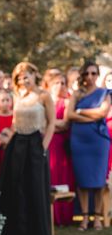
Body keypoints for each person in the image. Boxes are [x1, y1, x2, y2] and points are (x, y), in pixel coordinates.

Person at [0, 62, 55, 235]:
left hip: (35, 144)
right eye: (20, 77)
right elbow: (15, 122)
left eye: (26, 76)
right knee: (16, 187)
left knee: (35, 187)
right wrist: (7, 136)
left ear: (34, 75)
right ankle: (16, 234)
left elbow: (52, 123)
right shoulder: (18, 96)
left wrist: (44, 147)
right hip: (17, 144)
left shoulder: (44, 95)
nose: (23, 80)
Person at [67, 61, 111, 231]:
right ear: (82, 76)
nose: (90, 77)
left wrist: (81, 112)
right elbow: (69, 114)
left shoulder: (104, 93)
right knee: (82, 180)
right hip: (79, 140)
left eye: (93, 73)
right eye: (87, 73)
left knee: (99, 180)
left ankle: (98, 217)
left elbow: (103, 112)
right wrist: (91, 117)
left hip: (98, 141)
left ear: (97, 75)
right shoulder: (77, 94)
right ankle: (85, 217)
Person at [43, 69, 75, 226]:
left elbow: (65, 124)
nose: (60, 86)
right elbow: (41, 124)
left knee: (63, 176)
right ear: (49, 85)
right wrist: (51, 125)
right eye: (57, 83)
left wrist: (49, 124)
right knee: (50, 174)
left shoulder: (67, 102)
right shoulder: (44, 102)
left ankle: (64, 215)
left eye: (63, 83)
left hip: (62, 144)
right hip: (48, 143)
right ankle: (50, 215)